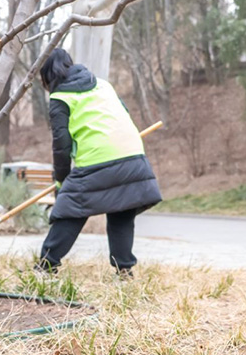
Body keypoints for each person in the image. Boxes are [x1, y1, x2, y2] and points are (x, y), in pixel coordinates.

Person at [35, 48, 162, 277]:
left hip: (98, 158)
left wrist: (62, 183)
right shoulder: (103, 84)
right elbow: (123, 113)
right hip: (131, 152)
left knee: (71, 209)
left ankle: (46, 265)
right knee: (121, 208)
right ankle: (124, 270)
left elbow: (61, 146)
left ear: (49, 76)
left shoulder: (60, 97)